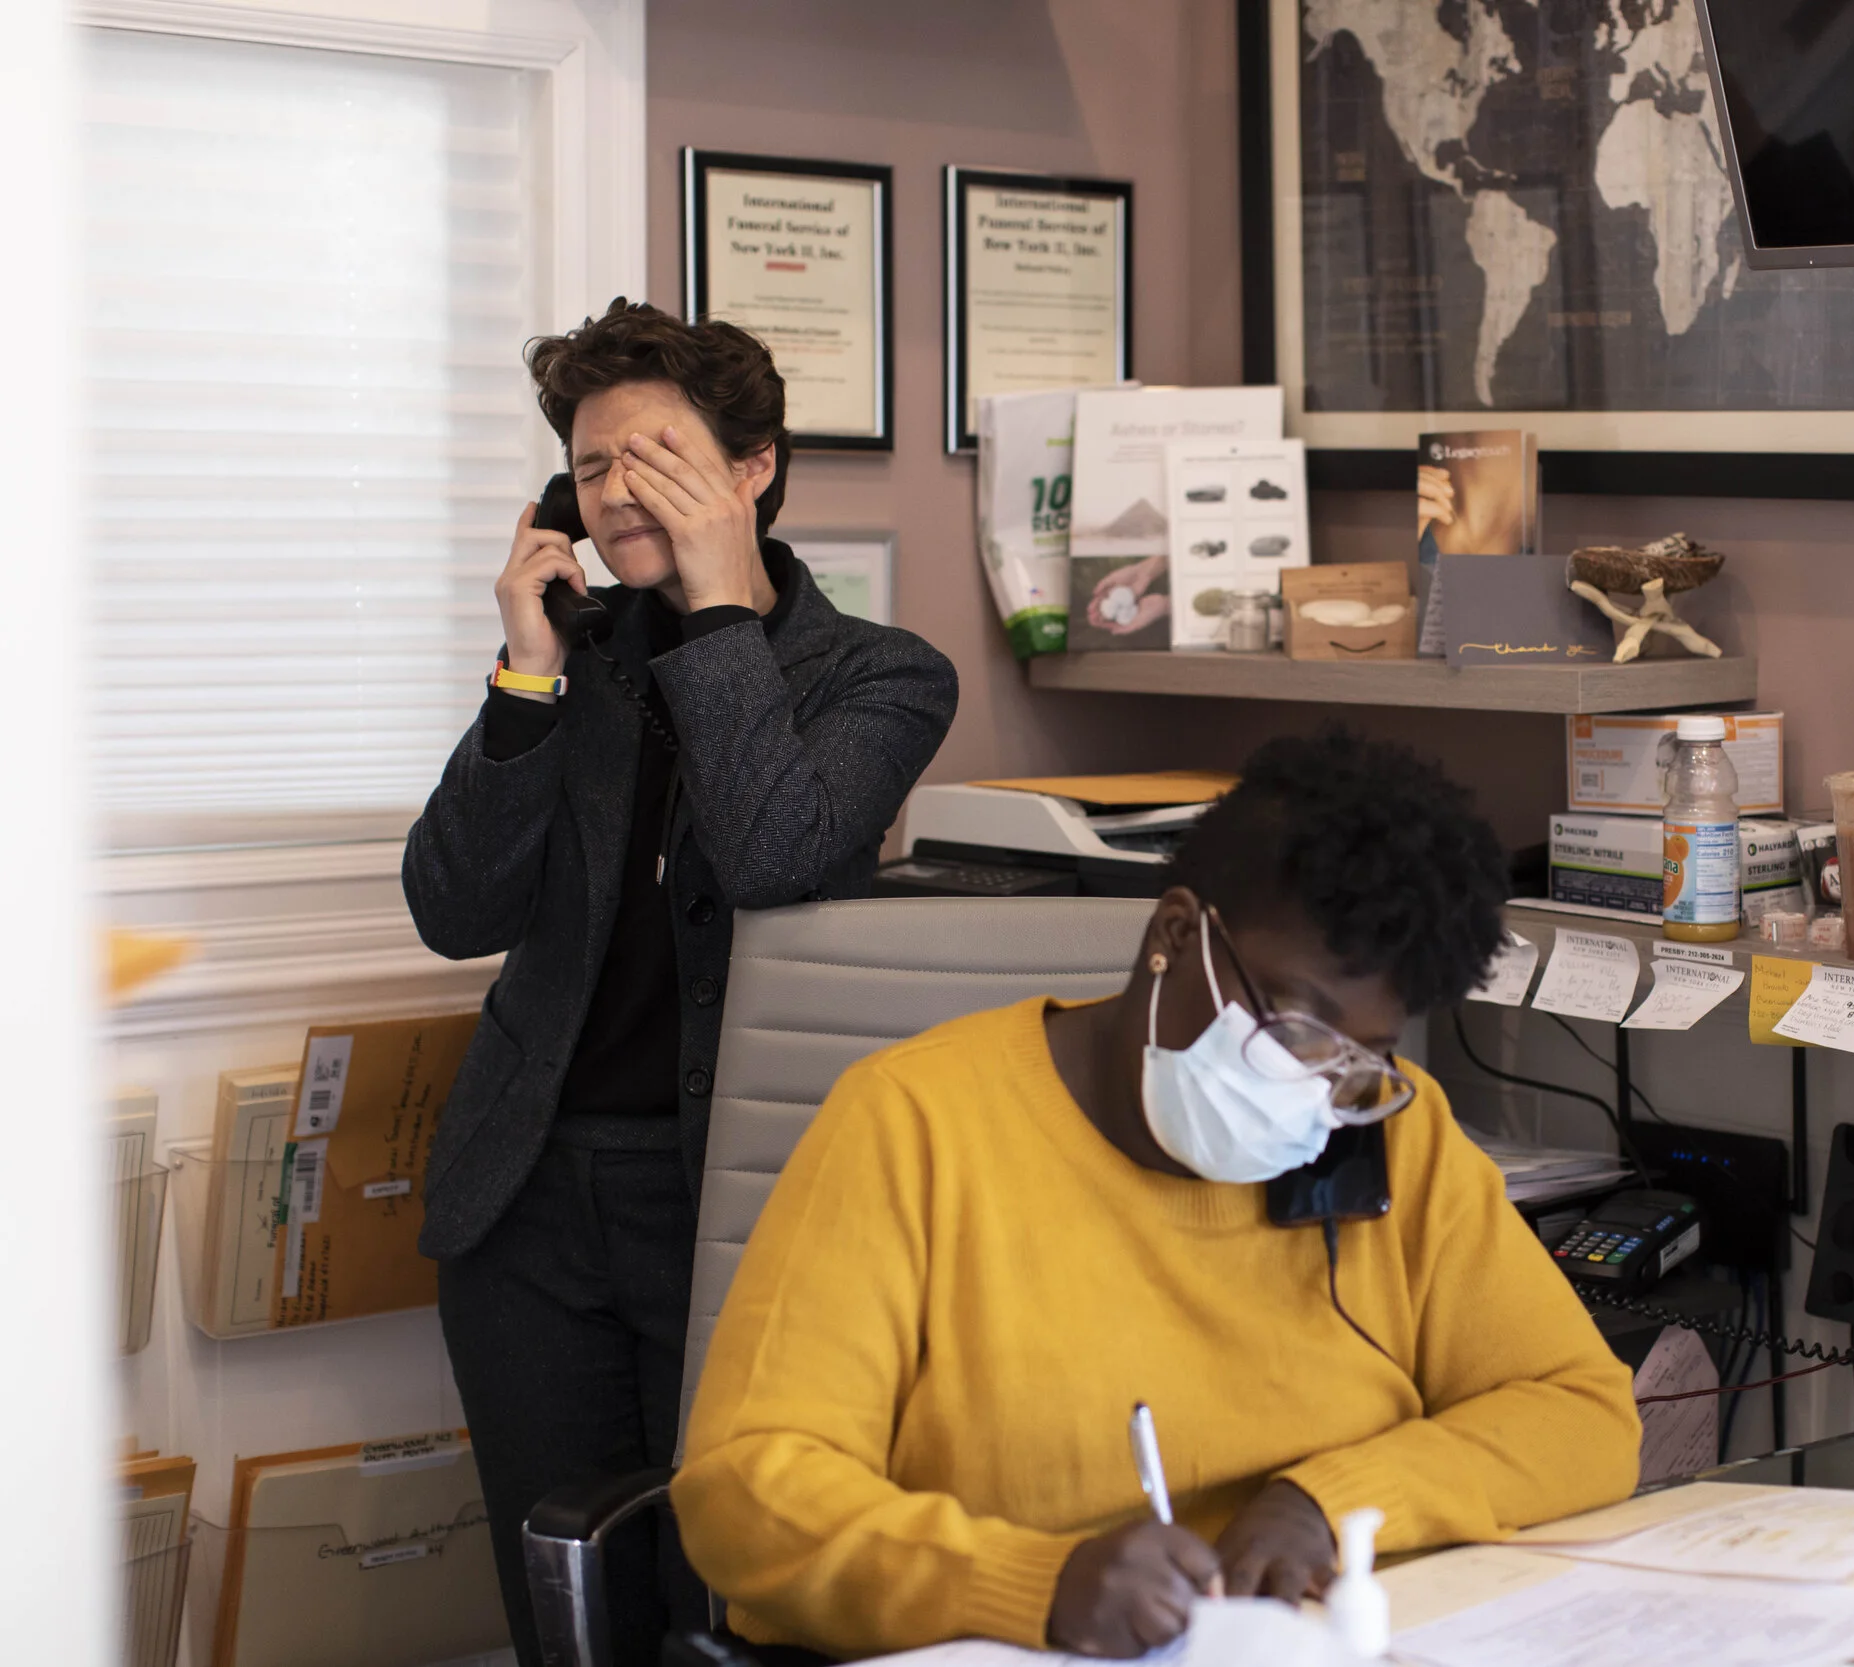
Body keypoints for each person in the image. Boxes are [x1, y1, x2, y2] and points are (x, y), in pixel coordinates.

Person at [675, 732, 1642, 1660]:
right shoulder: (914, 1123)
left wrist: (1333, 1500)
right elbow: (748, 1492)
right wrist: (1038, 1583)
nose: (1317, 1086)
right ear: (1176, 934)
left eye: (1358, 1059)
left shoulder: (1393, 1129)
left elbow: (1582, 1415)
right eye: (1295, 1026)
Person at [403, 299, 958, 1662]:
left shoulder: (882, 676)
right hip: (529, 1199)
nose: (616, 491)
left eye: (654, 457)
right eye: (590, 467)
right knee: (564, 1595)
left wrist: (716, 609)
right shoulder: (575, 659)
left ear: (754, 467)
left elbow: (775, 854)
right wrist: (526, 679)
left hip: (730, 1195)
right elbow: (453, 908)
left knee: (723, 1591)